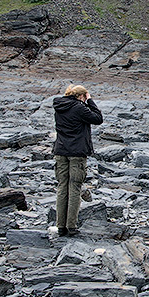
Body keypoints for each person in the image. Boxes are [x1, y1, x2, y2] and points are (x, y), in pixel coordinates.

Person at [53, 84, 103, 236]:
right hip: (77, 153)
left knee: (62, 187)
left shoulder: (58, 105)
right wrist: (90, 100)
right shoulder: (79, 107)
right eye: (84, 97)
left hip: (61, 151)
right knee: (74, 187)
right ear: (81, 96)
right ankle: (71, 226)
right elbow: (98, 118)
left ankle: (60, 226)